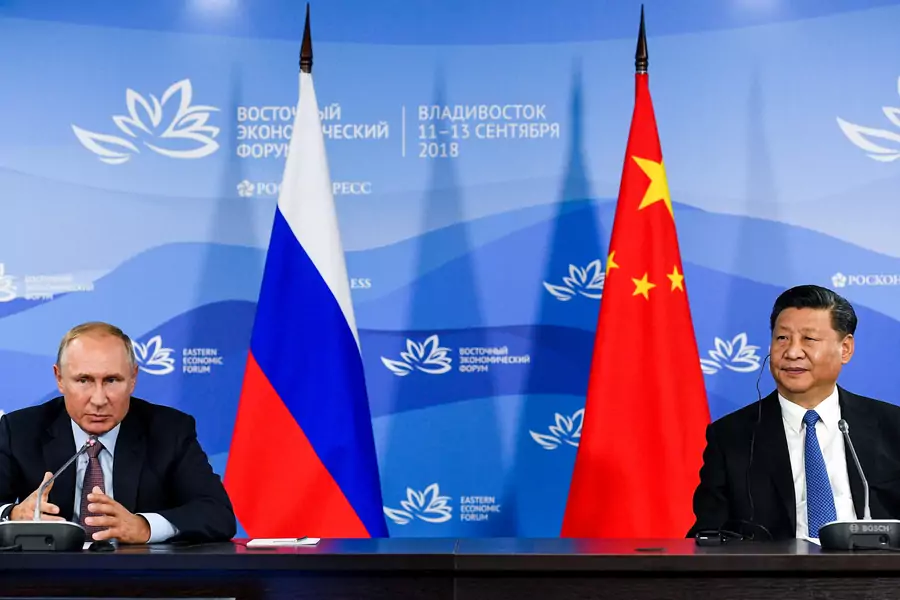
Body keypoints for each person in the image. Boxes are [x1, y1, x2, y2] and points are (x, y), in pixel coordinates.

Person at [688, 285, 900, 540]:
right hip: (775, 566)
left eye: (809, 339)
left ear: (845, 349)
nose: (792, 352)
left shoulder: (892, 426)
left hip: (875, 565)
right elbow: (708, 535)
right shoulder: (732, 436)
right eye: (782, 338)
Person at [0, 322, 236, 544]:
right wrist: (12, 514)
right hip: (46, 573)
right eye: (84, 380)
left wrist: (144, 527)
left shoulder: (169, 430)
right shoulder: (20, 430)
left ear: (133, 379)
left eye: (112, 380)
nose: (99, 399)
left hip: (138, 572)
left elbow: (217, 514)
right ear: (59, 379)